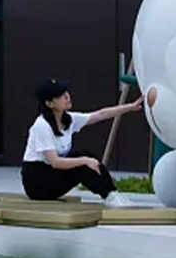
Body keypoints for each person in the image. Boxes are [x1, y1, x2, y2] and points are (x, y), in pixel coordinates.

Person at [21, 78, 143, 206]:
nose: (67, 96)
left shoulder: (68, 119)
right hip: (37, 183)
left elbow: (101, 114)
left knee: (87, 157)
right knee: (83, 162)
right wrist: (85, 160)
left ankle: (112, 194)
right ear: (49, 103)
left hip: (51, 174)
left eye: (65, 92)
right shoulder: (42, 126)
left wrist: (130, 107)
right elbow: (55, 162)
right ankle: (110, 196)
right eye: (60, 95)